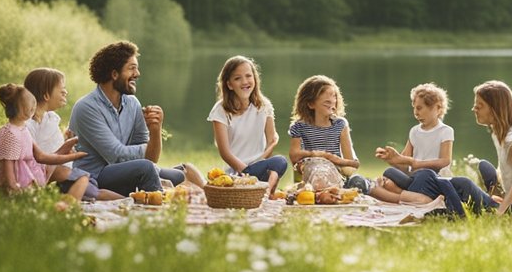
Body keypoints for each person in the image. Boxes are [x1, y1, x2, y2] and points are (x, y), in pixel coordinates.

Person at [69, 41, 203, 196]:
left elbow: (151, 158)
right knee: (146, 169)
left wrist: (155, 130)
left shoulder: (132, 103)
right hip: (96, 176)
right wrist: (148, 155)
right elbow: (117, 156)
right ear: (114, 74)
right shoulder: (86, 107)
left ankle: (165, 194)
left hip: (125, 171)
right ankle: (159, 208)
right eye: (132, 68)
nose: (137, 74)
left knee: (179, 175)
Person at [23, 67, 121, 201]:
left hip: (64, 170)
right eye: (61, 88)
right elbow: (33, 158)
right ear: (46, 95)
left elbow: (48, 144)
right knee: (95, 191)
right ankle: (131, 201)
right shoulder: (28, 125)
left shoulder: (50, 118)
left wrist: (65, 141)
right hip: (52, 174)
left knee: (93, 187)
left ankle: (131, 199)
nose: (65, 91)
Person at [449, 80, 512, 215]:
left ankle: (492, 208)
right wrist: (501, 194)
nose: (474, 109)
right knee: (484, 166)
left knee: (463, 184)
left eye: (480, 106)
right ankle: (493, 200)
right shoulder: (500, 132)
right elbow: (506, 171)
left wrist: (501, 209)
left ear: (496, 109)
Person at [208, 55, 288, 196]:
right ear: (229, 84)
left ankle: (267, 190)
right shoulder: (220, 110)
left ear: (255, 79)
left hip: (259, 168)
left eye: (248, 76)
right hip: (236, 173)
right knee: (277, 163)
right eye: (237, 78)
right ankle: (266, 192)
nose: (245, 82)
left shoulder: (264, 105)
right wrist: (246, 172)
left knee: (280, 161)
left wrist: (261, 161)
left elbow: (271, 141)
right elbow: (225, 152)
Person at [0, 83, 88, 197]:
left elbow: (41, 157)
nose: (34, 106)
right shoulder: (9, 133)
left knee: (80, 178)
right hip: (14, 190)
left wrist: (69, 153)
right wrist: (13, 188)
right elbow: (8, 169)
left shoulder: (24, 129)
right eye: (30, 103)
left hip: (26, 184)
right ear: (19, 107)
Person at [287, 75, 369, 193]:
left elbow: (352, 163)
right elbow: (294, 157)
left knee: (359, 182)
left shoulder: (340, 124)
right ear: (310, 104)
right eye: (326, 103)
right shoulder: (299, 126)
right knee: (319, 174)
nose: (332, 104)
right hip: (311, 172)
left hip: (336, 173)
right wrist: (322, 155)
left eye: (334, 99)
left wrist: (333, 159)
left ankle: (337, 192)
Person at [374, 82, 454, 190]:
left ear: (437, 108)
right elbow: (405, 166)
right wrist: (393, 160)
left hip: (436, 180)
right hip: (414, 178)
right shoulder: (414, 131)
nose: (416, 113)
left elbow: (445, 161)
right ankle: (411, 192)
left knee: (425, 174)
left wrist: (416, 163)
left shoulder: (445, 131)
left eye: (419, 108)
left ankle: (407, 193)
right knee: (389, 172)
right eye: (414, 108)